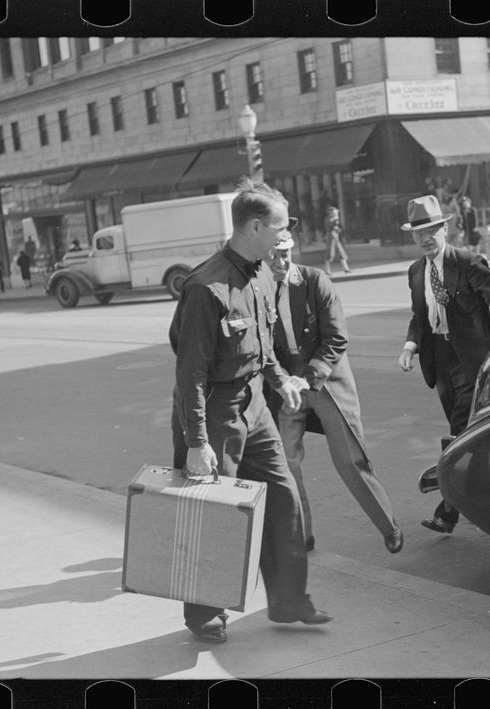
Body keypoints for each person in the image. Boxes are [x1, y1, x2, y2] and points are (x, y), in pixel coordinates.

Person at [169, 177, 332, 644]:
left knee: (284, 496)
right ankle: (205, 613)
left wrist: (279, 377)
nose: (286, 236)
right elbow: (190, 377)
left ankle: (289, 601)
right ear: (256, 225)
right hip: (214, 410)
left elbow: (262, 345)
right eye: (281, 226)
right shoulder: (205, 287)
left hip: (255, 402)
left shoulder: (262, 273)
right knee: (216, 514)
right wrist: (198, 442)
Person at [266, 230, 404, 555]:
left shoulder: (316, 281)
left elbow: (336, 337)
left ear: (292, 249)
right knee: (285, 462)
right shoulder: (258, 292)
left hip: (326, 384)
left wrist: (309, 376)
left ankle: (389, 527)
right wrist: (283, 381)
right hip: (288, 390)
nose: (280, 261)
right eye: (272, 254)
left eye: (285, 252)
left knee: (350, 461)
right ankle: (302, 536)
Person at [396, 195, 490, 534]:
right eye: (418, 232)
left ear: (444, 228)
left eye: (431, 230)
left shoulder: (467, 263)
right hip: (440, 361)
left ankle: (448, 509)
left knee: (458, 433)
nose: (425, 238)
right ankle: (477, 497)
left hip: (474, 363)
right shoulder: (416, 271)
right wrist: (410, 345)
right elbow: (419, 316)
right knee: (468, 435)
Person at [323, 206, 350, 275]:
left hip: (336, 238)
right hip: (331, 238)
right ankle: (327, 270)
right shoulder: (329, 219)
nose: (334, 212)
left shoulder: (335, 218)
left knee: (341, 253)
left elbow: (337, 228)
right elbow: (334, 227)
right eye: (332, 211)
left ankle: (346, 269)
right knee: (330, 254)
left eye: (334, 211)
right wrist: (339, 229)